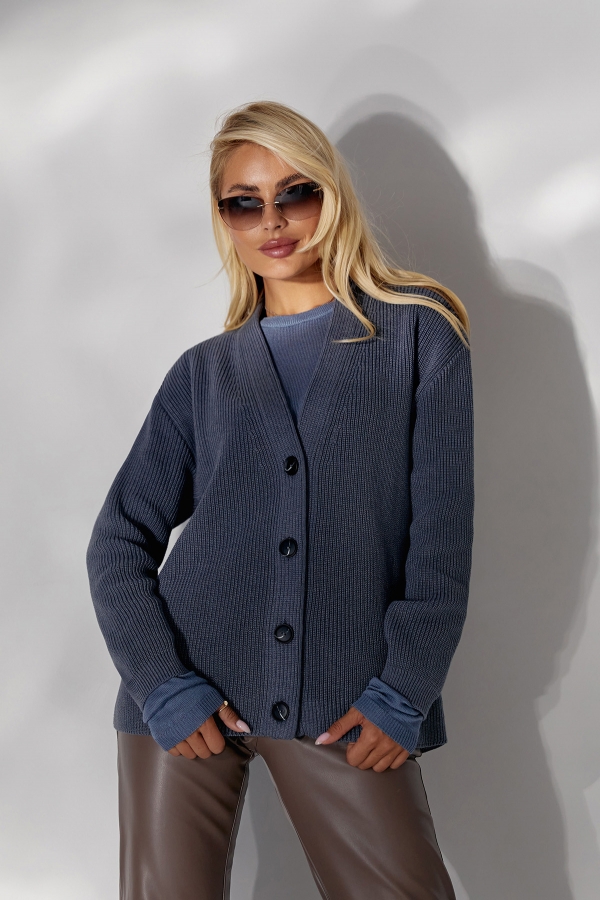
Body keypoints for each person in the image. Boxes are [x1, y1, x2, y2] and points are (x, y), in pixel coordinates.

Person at [87, 100, 474, 900]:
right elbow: (118, 541)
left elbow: (440, 542)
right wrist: (163, 683)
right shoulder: (203, 374)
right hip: (185, 687)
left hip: (346, 696)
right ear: (223, 218)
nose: (272, 221)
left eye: (295, 193)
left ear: (332, 196)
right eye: (244, 203)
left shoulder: (417, 337)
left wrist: (403, 690)